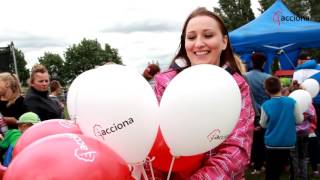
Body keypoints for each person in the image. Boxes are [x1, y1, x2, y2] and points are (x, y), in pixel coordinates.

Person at [146, 7, 255, 179]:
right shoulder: (164, 83)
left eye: (208, 35)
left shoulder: (237, 87)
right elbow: (150, 142)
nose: (198, 44)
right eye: (191, 37)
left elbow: (237, 149)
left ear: (224, 41)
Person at [260, 76, 303, 180]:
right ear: (281, 87)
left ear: (266, 90)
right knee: (292, 169)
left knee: (271, 171)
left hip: (272, 143)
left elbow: (263, 124)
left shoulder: (266, 105)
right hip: (289, 142)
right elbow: (299, 120)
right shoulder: (292, 102)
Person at [245, 52, 271, 175]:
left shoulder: (245, 76)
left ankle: (254, 162)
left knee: (253, 139)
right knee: (264, 139)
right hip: (265, 111)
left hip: (250, 112)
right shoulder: (267, 77)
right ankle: (262, 163)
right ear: (264, 63)